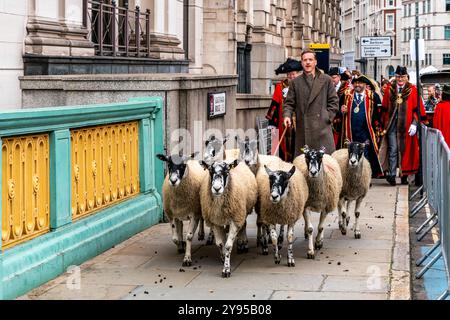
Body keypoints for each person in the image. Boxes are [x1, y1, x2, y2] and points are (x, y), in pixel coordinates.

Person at [282, 50, 339, 156]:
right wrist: (287, 116)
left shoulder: (326, 80)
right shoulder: (295, 82)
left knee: (325, 166)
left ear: (315, 62)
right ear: (302, 63)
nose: (307, 62)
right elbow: (289, 103)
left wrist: (327, 117)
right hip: (303, 131)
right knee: (303, 166)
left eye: (310, 60)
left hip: (323, 130)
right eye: (305, 60)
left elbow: (334, 102)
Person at [379, 66, 428, 186]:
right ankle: (391, 174)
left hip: (406, 127)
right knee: (393, 149)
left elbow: (418, 110)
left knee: (405, 150)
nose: (400, 79)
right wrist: (382, 125)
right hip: (391, 125)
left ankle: (404, 175)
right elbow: (384, 109)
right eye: (398, 77)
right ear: (395, 77)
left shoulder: (413, 90)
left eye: (402, 77)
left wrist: (415, 124)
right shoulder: (389, 89)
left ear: (406, 77)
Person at [338, 75, 384, 177]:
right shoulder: (346, 95)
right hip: (350, 131)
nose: (357, 85)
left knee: (365, 154)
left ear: (365, 84)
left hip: (366, 131)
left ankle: (365, 177)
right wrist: (341, 111)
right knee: (350, 154)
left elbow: (378, 114)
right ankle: (351, 176)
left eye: (360, 83)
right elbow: (337, 111)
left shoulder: (372, 96)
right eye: (355, 83)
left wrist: (378, 130)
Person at [265, 58, 302, 161]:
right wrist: (272, 123)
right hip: (284, 124)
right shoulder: (280, 87)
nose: (291, 76)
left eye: (294, 74)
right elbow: (274, 106)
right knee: (284, 149)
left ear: (298, 74)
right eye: (289, 74)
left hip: (300, 123)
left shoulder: (302, 86)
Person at [329, 67, 351, 148]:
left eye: (334, 77)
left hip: (341, 121)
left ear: (339, 77)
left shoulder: (346, 90)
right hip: (330, 120)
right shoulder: (327, 88)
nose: (332, 79)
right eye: (330, 77)